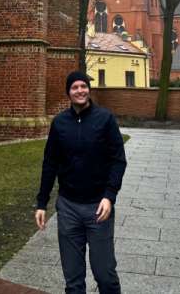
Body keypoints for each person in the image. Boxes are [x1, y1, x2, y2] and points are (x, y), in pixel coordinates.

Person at [34, 71, 127, 294]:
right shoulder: (59, 123)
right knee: (73, 280)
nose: (80, 91)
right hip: (68, 208)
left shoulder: (105, 119)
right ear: (68, 92)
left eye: (83, 86)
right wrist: (41, 202)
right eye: (74, 87)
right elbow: (50, 164)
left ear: (89, 89)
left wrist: (109, 195)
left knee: (105, 275)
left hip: (98, 207)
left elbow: (118, 160)